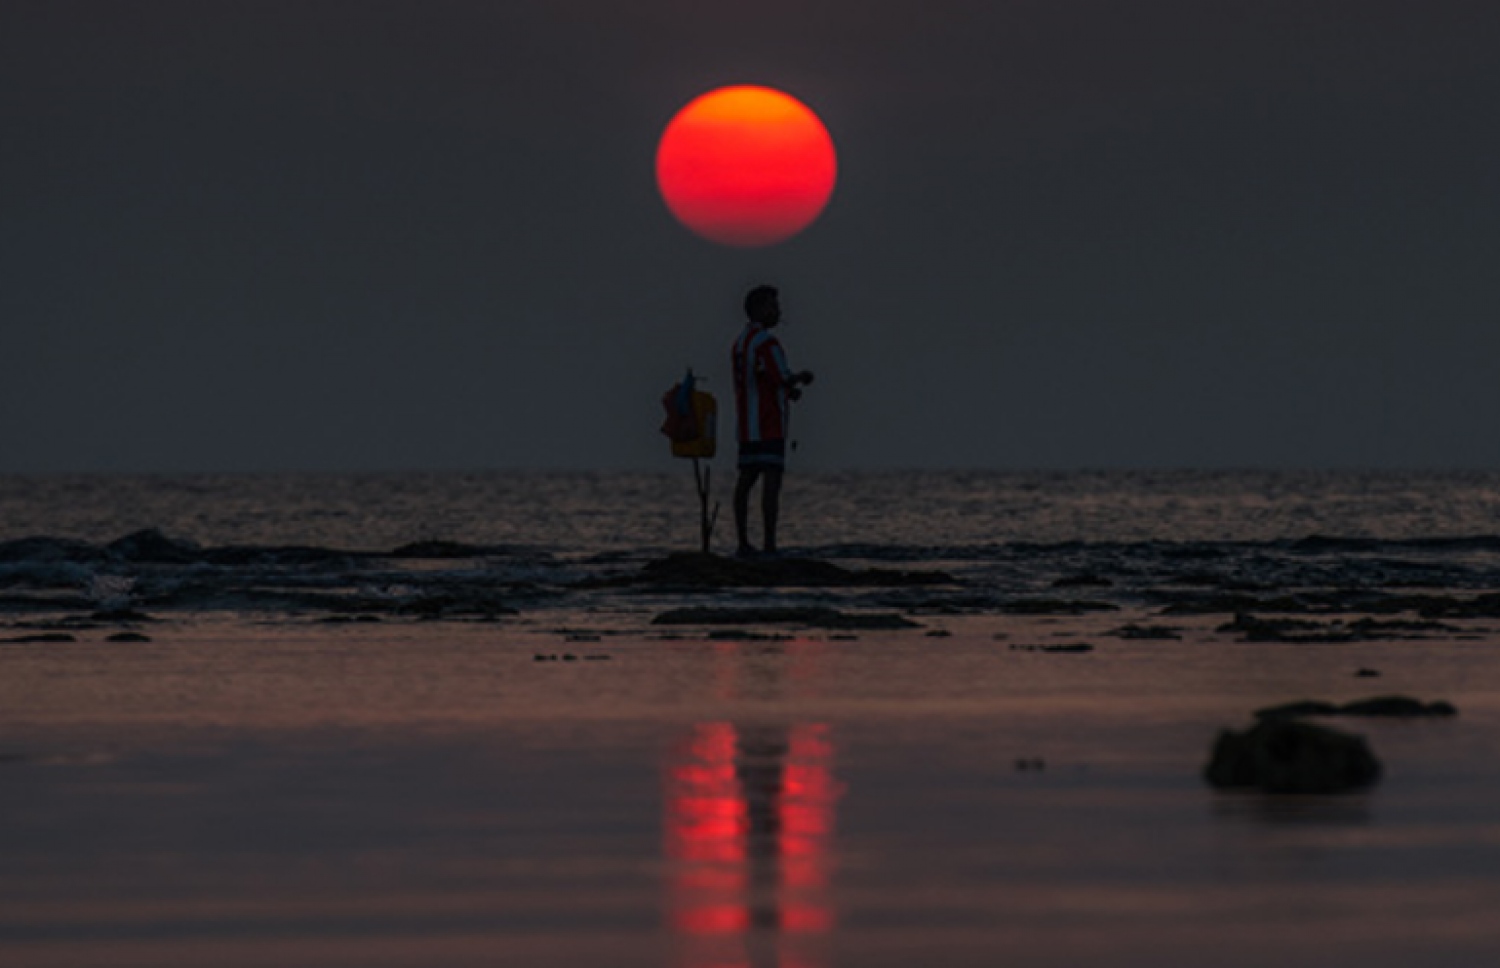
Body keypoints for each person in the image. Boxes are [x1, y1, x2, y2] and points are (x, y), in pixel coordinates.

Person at [731, 285, 814, 557]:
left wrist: (788, 391)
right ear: (759, 309)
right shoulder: (767, 343)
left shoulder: (740, 343)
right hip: (769, 424)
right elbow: (781, 377)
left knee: (745, 482)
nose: (778, 312)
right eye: (773, 306)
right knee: (771, 482)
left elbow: (760, 379)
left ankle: (743, 542)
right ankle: (769, 545)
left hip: (746, 425)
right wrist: (802, 378)